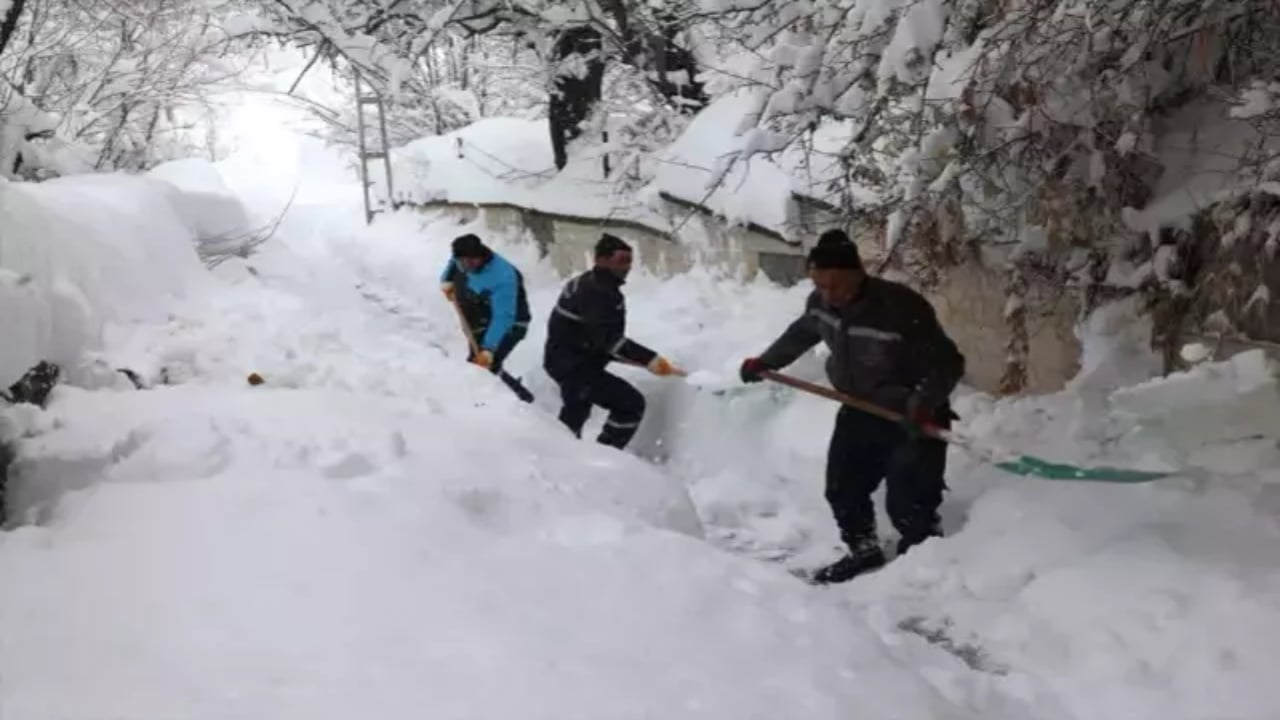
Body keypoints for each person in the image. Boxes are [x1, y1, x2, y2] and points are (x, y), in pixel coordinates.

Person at [739, 229, 965, 584]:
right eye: (820, 285)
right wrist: (766, 362)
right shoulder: (821, 303)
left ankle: (920, 567)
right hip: (860, 407)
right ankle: (863, 550)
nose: (829, 294)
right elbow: (802, 332)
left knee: (909, 499)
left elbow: (947, 363)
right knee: (843, 487)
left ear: (858, 272)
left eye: (836, 284)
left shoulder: (900, 307)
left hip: (911, 413)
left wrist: (922, 405)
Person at [543, 233, 681, 449]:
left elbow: (599, 339)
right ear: (602, 260)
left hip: (570, 360)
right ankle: (605, 456)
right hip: (573, 365)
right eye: (621, 260)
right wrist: (649, 359)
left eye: (629, 261)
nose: (627, 267)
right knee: (630, 405)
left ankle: (560, 454)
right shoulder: (597, 292)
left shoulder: (591, 283)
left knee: (577, 410)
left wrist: (645, 360)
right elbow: (608, 341)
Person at [440, 234, 535, 403]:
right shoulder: (461, 259)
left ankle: (521, 402)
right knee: (478, 365)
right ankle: (488, 399)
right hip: (481, 314)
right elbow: (454, 263)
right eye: (464, 261)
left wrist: (489, 348)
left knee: (485, 367)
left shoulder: (503, 275)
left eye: (472, 261)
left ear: (481, 255)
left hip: (511, 323)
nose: (467, 266)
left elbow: (504, 316)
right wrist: (446, 280)